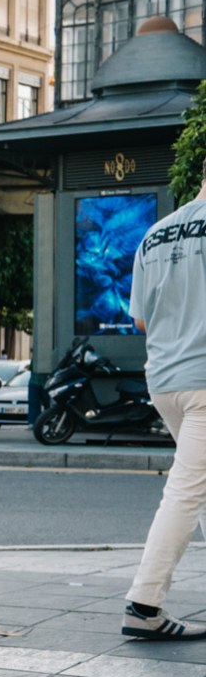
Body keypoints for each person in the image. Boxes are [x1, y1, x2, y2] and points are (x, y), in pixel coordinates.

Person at [121, 182, 206, 639]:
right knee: (186, 490)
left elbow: (140, 319)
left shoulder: (155, 234)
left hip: (165, 380)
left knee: (199, 484)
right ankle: (143, 603)